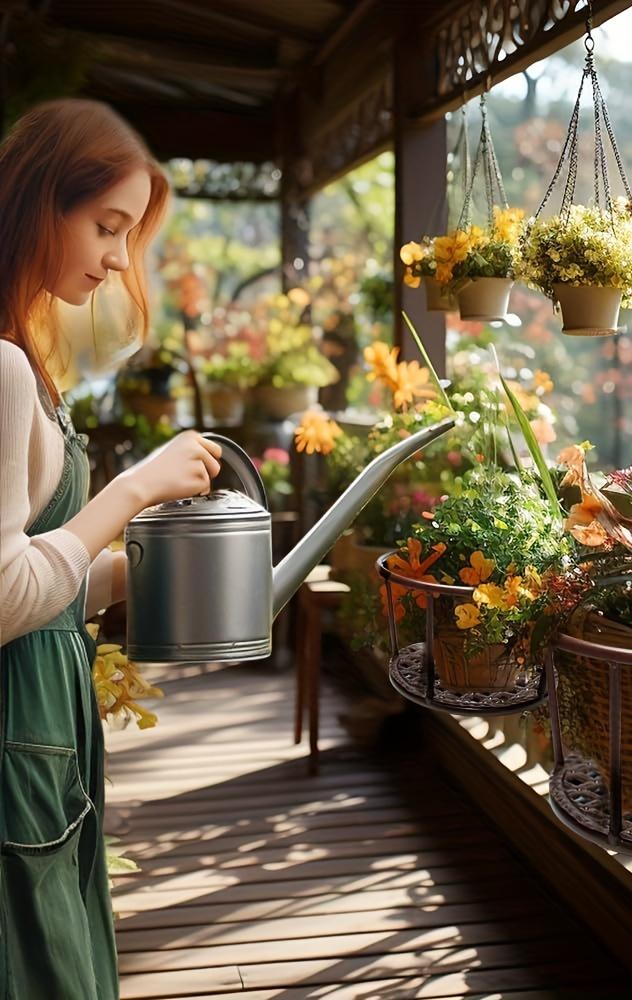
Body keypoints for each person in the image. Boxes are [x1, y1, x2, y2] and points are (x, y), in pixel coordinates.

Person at [0, 99, 223, 998]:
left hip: (44, 739)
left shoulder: (26, 356)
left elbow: (45, 585)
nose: (117, 259)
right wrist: (133, 491)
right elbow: (6, 592)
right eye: (106, 227)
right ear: (38, 203)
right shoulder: (5, 370)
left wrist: (158, 561)